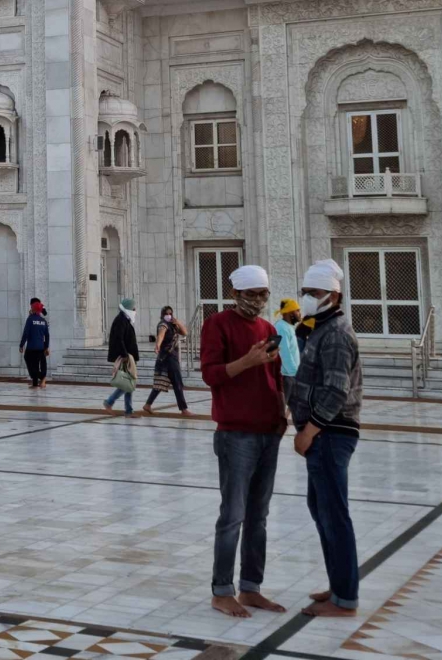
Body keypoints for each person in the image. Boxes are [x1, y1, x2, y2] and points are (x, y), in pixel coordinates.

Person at [200, 264, 286, 618]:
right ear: (235, 294)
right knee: (233, 514)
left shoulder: (267, 328)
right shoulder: (217, 324)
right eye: (250, 295)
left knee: (258, 516)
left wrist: (281, 415)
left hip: (268, 431)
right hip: (235, 432)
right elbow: (211, 375)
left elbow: (275, 377)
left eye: (262, 294)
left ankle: (251, 587)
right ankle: (222, 591)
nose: (257, 301)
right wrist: (247, 360)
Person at [290, 259, 363, 618]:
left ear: (333, 295)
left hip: (331, 434)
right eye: (305, 292)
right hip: (325, 434)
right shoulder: (321, 329)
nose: (307, 298)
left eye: (314, 293)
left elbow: (335, 391)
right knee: (321, 509)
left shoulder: (335, 334)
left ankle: (345, 599)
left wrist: (309, 431)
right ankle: (338, 585)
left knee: (334, 514)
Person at [142, 306, 190, 415]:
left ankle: (148, 405)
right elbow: (161, 335)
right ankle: (184, 409)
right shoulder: (163, 324)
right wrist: (157, 345)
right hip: (167, 357)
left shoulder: (173, 325)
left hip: (170, 357)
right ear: (163, 314)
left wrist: (177, 322)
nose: (169, 315)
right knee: (176, 382)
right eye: (167, 313)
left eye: (171, 313)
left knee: (161, 382)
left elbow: (185, 332)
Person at [104, 298, 141, 414]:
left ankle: (128, 410)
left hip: (129, 355)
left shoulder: (125, 319)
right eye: (134, 308)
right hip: (126, 356)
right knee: (127, 382)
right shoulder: (121, 320)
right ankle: (110, 402)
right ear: (129, 308)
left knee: (128, 381)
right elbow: (118, 339)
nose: (135, 311)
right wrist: (124, 354)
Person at [273, 299, 304, 402]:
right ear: (289, 313)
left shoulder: (287, 327)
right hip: (286, 375)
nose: (300, 314)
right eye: (297, 311)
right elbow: (284, 353)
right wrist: (295, 373)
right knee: (280, 407)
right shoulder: (282, 328)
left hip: (290, 374)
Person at [19, 298, 50, 389]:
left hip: (31, 347)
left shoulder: (30, 319)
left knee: (28, 360)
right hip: (40, 347)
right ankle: (35, 384)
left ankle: (42, 377)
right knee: (36, 364)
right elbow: (47, 335)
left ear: (32, 308)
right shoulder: (43, 321)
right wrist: (46, 347)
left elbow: (26, 333)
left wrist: (21, 345)